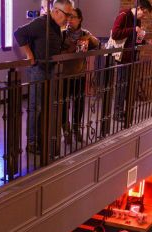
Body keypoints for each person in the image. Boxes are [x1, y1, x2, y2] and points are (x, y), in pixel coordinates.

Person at [14, 0, 73, 155]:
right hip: (38, 69)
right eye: (67, 15)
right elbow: (19, 33)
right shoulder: (41, 23)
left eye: (70, 15)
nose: (68, 18)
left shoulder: (57, 27)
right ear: (56, 11)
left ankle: (42, 138)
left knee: (47, 106)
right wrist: (29, 55)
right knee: (36, 107)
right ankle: (32, 142)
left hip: (50, 68)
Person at [60, 7, 100, 146]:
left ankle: (76, 129)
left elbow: (97, 44)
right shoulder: (63, 34)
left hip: (80, 75)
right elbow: (57, 52)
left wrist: (90, 38)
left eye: (73, 17)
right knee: (64, 105)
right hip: (64, 76)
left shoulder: (85, 33)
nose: (70, 20)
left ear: (80, 19)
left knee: (78, 104)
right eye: (69, 17)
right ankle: (66, 130)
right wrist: (69, 49)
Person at [110, 0, 152, 121]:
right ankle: (117, 113)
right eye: (144, 13)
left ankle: (122, 111)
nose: (144, 16)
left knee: (127, 86)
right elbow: (115, 34)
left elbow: (134, 39)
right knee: (121, 86)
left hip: (131, 57)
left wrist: (143, 40)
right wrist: (133, 29)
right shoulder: (123, 15)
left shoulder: (137, 20)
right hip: (122, 57)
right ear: (139, 8)